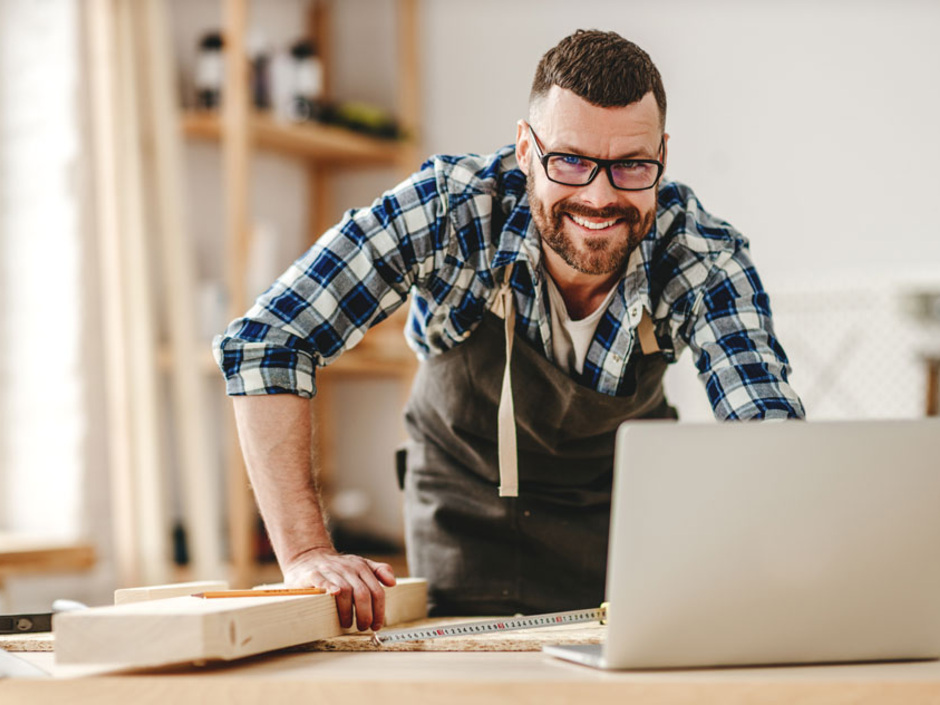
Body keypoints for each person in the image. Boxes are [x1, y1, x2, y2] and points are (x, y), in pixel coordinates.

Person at [213, 29, 805, 632]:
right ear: (526, 149)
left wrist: (786, 572)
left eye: (631, 165)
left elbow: (767, 430)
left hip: (627, 536)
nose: (599, 196)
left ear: (662, 158)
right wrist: (306, 554)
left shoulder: (701, 256)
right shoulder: (451, 209)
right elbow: (269, 341)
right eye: (570, 160)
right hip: (464, 521)